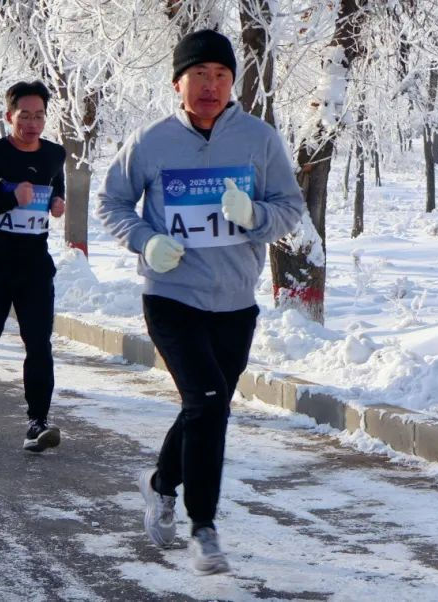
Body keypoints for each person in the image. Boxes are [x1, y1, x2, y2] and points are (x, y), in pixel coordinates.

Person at [96, 30, 305, 575]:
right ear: (177, 83)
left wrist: (255, 216)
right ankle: (204, 527)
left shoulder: (259, 139)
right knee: (209, 404)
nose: (210, 86)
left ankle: (160, 482)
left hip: (235, 301)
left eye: (220, 75)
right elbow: (112, 202)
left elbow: (289, 207)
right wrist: (146, 241)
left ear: (233, 83)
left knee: (203, 407)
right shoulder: (150, 141)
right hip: (172, 297)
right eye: (198, 75)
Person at [0, 81, 67, 453]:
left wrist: (58, 202)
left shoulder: (54, 154)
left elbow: (55, 184)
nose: (32, 124)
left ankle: (37, 422)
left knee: (39, 342)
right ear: (9, 116)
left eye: (39, 116)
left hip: (35, 262)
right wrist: (9, 198)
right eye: (25, 116)